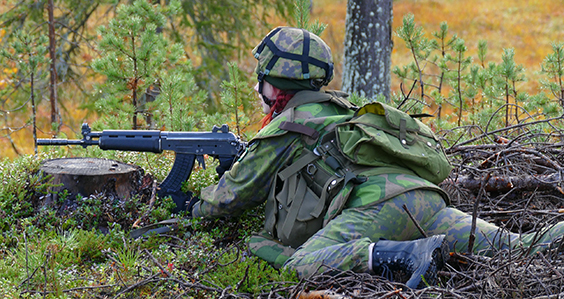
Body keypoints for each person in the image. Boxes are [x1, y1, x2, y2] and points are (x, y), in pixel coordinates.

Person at [188, 26, 564, 289]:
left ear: (277, 85)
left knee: (298, 264)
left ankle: (403, 254)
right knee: (521, 247)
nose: (258, 86)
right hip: (423, 199)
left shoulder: (286, 127)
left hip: (377, 211)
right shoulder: (340, 107)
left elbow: (229, 198)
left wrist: (195, 211)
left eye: (263, 78)